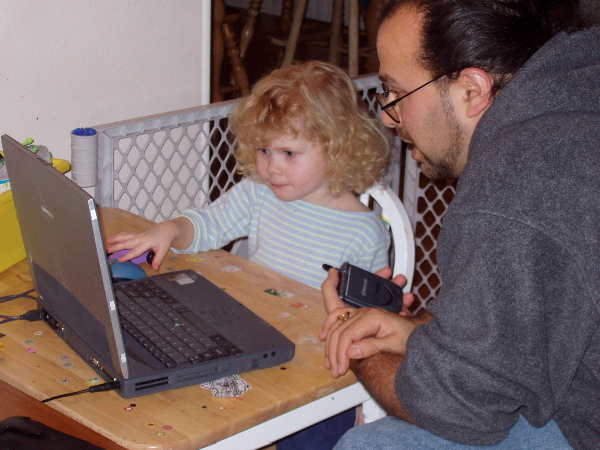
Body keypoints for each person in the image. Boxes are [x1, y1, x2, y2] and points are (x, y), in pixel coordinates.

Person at [320, 0, 599, 448]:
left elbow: (461, 410)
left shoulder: (515, 186)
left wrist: (352, 341)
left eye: (395, 93)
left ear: (472, 90)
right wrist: (432, 337)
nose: (390, 119)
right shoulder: (578, 79)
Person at [106, 59, 392, 291]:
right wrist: (169, 229)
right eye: (263, 150)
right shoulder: (259, 193)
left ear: (338, 149)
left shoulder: (364, 233)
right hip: (257, 320)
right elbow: (209, 225)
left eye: (289, 153)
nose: (272, 167)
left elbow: (366, 317)